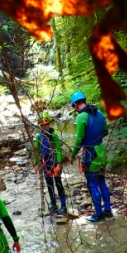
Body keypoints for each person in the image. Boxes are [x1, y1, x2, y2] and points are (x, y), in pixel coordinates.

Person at [70, 91, 113, 222]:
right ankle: (108, 211)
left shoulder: (81, 117)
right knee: (102, 182)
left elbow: (79, 139)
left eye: (74, 107)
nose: (75, 109)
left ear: (76, 104)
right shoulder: (99, 113)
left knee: (92, 183)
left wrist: (72, 155)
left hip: (90, 154)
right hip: (101, 152)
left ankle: (98, 215)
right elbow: (105, 130)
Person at [33, 112, 67, 215]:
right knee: (49, 184)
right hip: (45, 163)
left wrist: (59, 163)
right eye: (42, 125)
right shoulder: (39, 137)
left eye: (46, 125)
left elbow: (58, 149)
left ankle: (63, 205)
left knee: (58, 183)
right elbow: (37, 150)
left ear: (49, 124)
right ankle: (53, 205)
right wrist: (36, 163)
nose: (44, 127)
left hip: (55, 161)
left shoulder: (54, 135)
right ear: (40, 126)